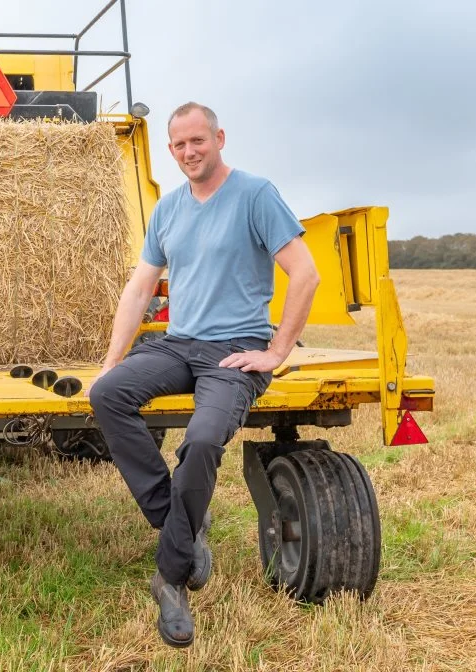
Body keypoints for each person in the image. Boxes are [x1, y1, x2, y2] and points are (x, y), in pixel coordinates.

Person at [87, 102, 320, 648]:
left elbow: (304, 274)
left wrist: (277, 351)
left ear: (219, 138)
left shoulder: (256, 195)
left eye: (199, 141)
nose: (190, 152)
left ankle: (170, 578)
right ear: (170, 151)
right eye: (180, 145)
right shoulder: (168, 209)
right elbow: (140, 289)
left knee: (203, 437)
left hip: (237, 348)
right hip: (178, 343)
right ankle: (184, 525)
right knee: (109, 394)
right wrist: (112, 360)